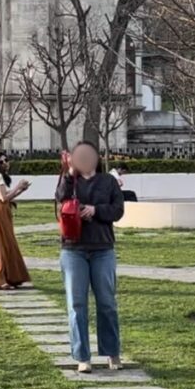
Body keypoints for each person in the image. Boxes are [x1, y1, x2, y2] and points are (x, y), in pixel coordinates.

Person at [56, 141, 125, 373]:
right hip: (73, 249)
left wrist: (96, 211)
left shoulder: (108, 182)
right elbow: (59, 201)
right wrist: (69, 175)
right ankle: (82, 356)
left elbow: (118, 210)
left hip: (102, 248)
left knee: (106, 302)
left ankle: (112, 352)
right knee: (77, 304)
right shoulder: (69, 180)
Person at [0, 152, 32, 290]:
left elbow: (8, 197)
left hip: (4, 211)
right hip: (0, 211)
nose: (5, 163)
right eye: (2, 161)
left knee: (8, 243)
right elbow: (3, 198)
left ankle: (10, 277)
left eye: (6, 160)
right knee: (1, 244)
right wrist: (18, 186)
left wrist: (21, 190)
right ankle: (0, 279)